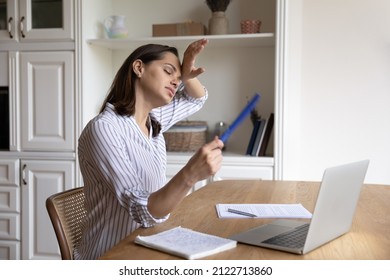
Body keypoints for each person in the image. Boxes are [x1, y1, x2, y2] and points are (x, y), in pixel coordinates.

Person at [74, 39, 224, 259]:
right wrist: (189, 175)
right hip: (110, 255)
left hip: (148, 245)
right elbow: (141, 210)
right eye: (168, 71)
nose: (176, 81)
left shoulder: (152, 120)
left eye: (178, 77)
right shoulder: (104, 129)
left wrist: (186, 70)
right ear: (139, 68)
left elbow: (196, 100)